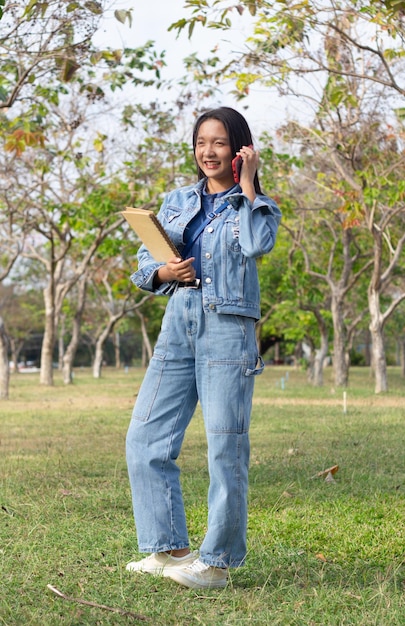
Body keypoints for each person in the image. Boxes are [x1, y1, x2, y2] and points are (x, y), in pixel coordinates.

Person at [125, 106, 281, 589]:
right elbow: (144, 260)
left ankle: (217, 563)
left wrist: (250, 185)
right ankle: (168, 548)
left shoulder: (257, 206)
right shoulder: (177, 200)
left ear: (239, 149)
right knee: (144, 438)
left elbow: (256, 246)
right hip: (179, 325)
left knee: (224, 447)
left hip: (227, 328)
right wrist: (163, 273)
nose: (207, 151)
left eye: (218, 142)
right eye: (200, 142)